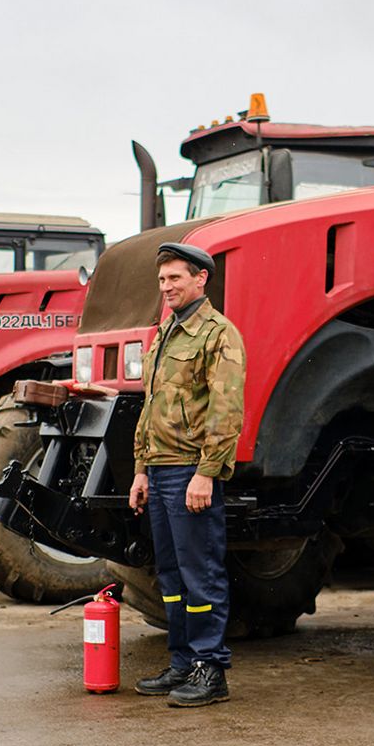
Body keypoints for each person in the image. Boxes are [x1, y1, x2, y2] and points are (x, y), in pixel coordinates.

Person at [127, 242, 246, 708]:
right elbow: (149, 408)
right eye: (162, 280)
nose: (167, 287)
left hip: (189, 471)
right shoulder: (164, 334)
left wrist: (206, 473)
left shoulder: (218, 334)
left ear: (201, 279)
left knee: (201, 573)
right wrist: (140, 470)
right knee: (172, 575)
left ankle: (210, 668)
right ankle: (181, 663)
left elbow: (226, 410)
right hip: (158, 471)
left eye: (175, 278)